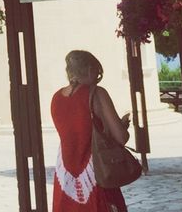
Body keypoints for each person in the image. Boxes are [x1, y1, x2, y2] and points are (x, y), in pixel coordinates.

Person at [51, 49, 131, 211]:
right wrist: (122, 125)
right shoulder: (97, 94)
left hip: (65, 178)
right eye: (97, 71)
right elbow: (121, 137)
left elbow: (76, 131)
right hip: (96, 175)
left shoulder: (56, 98)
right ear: (89, 69)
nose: (98, 77)